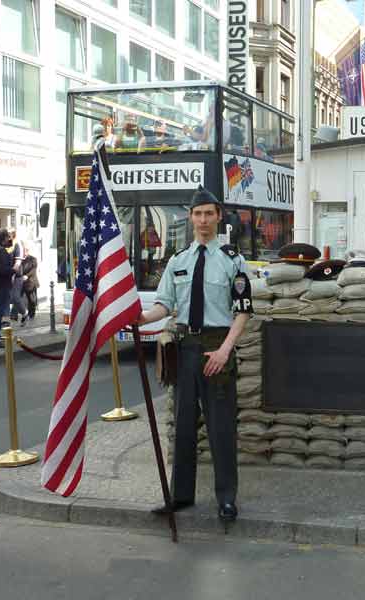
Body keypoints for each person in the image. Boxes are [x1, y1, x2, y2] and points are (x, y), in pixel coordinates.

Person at [137, 186, 253, 523]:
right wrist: (141, 318)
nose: (202, 220)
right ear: (190, 218)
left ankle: (227, 499)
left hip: (218, 349)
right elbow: (165, 305)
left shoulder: (233, 260)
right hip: (186, 349)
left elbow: (243, 311)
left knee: (220, 429)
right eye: (197, 214)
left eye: (208, 214)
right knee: (184, 428)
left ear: (218, 217)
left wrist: (225, 350)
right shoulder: (178, 261)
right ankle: (181, 496)